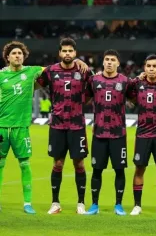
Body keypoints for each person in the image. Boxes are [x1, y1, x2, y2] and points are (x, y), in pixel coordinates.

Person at [0, 40, 87, 214]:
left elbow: (57, 68)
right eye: (14, 53)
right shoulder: (1, 75)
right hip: (1, 126)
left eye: (20, 53)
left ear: (24, 56)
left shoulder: (32, 71)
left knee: (24, 164)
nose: (17, 56)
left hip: (21, 128)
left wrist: (78, 61)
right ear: (7, 57)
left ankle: (27, 204)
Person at [37, 38, 91, 215]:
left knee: (79, 164)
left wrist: (81, 104)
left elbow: (96, 89)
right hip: (57, 125)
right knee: (58, 163)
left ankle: (81, 203)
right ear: (59, 53)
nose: (67, 53)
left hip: (77, 125)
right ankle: (55, 203)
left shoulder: (84, 71)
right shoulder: (51, 71)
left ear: (75, 53)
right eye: (64, 51)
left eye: (70, 51)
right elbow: (34, 83)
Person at [85, 49, 135, 216]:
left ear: (118, 63)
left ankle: (118, 205)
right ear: (103, 62)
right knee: (97, 170)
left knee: (119, 170)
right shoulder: (94, 80)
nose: (109, 62)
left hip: (118, 134)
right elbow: (83, 97)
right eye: (107, 59)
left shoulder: (125, 82)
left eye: (113, 60)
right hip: (99, 134)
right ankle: (94, 205)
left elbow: (136, 97)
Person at [129, 55, 156, 216]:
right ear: (144, 68)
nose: (151, 69)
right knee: (139, 169)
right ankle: (137, 205)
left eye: (155, 66)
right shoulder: (137, 83)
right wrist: (135, 81)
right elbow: (121, 87)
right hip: (142, 133)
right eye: (149, 66)